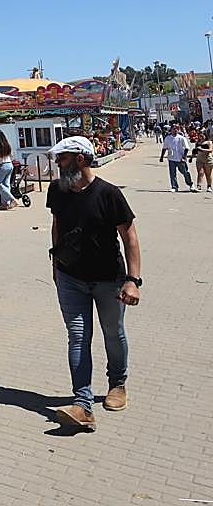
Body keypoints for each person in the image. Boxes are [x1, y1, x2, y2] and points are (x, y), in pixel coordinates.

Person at [46, 136, 141, 430]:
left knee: (113, 333)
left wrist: (133, 280)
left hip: (108, 280)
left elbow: (130, 238)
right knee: (78, 336)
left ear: (81, 159)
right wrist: (55, 265)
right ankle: (82, 404)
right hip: (70, 279)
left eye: (62, 159)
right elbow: (57, 226)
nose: (58, 166)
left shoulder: (108, 194)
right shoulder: (57, 190)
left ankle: (117, 384)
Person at [159, 124, 195, 192]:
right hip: (171, 158)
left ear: (178, 130)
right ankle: (174, 187)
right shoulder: (168, 138)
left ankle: (191, 184)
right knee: (172, 173)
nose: (175, 130)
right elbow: (164, 148)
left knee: (185, 172)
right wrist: (161, 157)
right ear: (171, 130)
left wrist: (184, 157)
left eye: (176, 129)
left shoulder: (181, 138)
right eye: (174, 129)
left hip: (180, 158)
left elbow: (186, 148)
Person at [0, 129, 17, 210]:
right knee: (6, 185)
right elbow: (11, 154)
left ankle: (12, 199)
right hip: (10, 164)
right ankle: (5, 204)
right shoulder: (6, 144)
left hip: (3, 165)